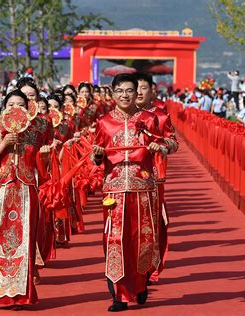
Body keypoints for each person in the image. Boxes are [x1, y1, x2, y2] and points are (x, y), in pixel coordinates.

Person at [92, 73, 165, 312]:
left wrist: (160, 146)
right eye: (120, 91)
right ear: (113, 94)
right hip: (115, 191)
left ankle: (141, 283)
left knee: (141, 238)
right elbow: (97, 155)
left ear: (137, 94)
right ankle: (118, 295)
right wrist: (98, 156)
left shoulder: (149, 118)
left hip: (143, 188)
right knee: (114, 240)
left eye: (129, 91)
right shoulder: (104, 122)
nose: (125, 95)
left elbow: (171, 143)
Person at [0, 89, 53, 309]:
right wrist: (3, 143)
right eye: (11, 104)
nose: (15, 108)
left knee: (24, 241)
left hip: (26, 191)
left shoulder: (37, 129)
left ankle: (20, 294)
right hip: (1, 190)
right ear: (4, 107)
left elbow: (49, 141)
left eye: (21, 104)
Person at [134, 72, 178, 284]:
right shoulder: (123, 117)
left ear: (152, 91)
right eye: (136, 88)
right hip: (127, 178)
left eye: (144, 88)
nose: (139, 92)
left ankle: (151, 266)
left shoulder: (160, 116)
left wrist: (162, 147)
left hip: (154, 177)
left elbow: (174, 143)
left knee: (152, 222)